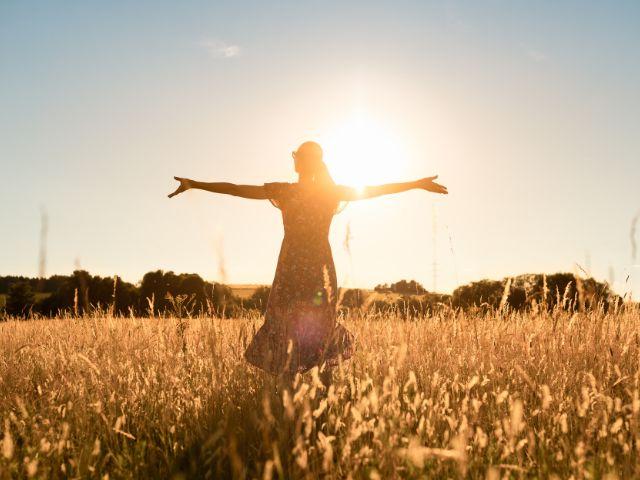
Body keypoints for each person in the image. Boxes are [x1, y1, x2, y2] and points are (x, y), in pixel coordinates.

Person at [168, 141, 447, 376]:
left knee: (295, 323)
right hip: (316, 264)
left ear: (301, 162)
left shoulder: (288, 191)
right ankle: (317, 392)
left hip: (295, 265)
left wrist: (195, 184)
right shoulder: (322, 192)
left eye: (297, 157)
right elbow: (377, 189)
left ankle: (300, 393)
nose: (295, 161)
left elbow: (235, 188)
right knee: (316, 323)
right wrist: (416, 184)